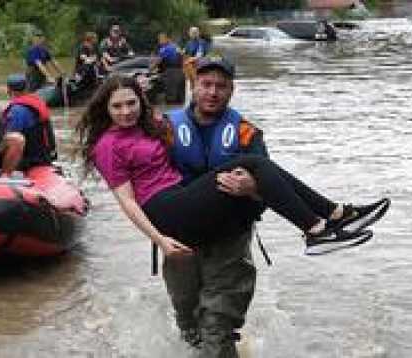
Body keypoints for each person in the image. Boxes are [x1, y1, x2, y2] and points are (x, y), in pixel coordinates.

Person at [73, 73, 390, 353]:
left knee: (213, 326)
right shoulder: (107, 145)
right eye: (117, 107)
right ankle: (322, 223)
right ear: (105, 109)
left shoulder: (155, 126)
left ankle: (331, 217)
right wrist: (159, 239)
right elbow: (127, 202)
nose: (126, 112)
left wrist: (249, 190)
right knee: (256, 165)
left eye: (131, 103)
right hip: (167, 211)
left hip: (193, 209)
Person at [162, 55, 268, 355]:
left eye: (220, 86)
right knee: (189, 323)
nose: (212, 92)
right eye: (206, 84)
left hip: (229, 242)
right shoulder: (165, 129)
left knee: (217, 327)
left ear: (231, 91)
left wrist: (252, 187)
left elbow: (272, 185)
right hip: (180, 243)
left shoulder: (246, 133)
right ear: (193, 86)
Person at [1, 74, 57, 174]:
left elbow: (10, 140)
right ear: (26, 88)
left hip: (30, 160)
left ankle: (4, 176)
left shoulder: (17, 110)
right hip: (46, 156)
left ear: (8, 90)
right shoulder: (38, 102)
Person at [151, 32, 185, 104]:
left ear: (167, 39)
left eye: (160, 39)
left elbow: (157, 61)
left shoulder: (164, 49)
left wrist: (150, 69)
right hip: (180, 73)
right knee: (180, 99)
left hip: (170, 74)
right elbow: (182, 57)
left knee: (170, 99)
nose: (159, 41)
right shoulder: (176, 47)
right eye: (159, 39)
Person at [182, 26, 212, 90]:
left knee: (198, 84)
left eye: (194, 33)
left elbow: (199, 55)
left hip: (199, 66)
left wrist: (190, 59)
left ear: (198, 33)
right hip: (190, 66)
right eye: (192, 33)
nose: (193, 34)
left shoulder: (201, 43)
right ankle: (193, 96)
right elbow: (185, 52)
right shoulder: (189, 43)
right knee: (192, 85)